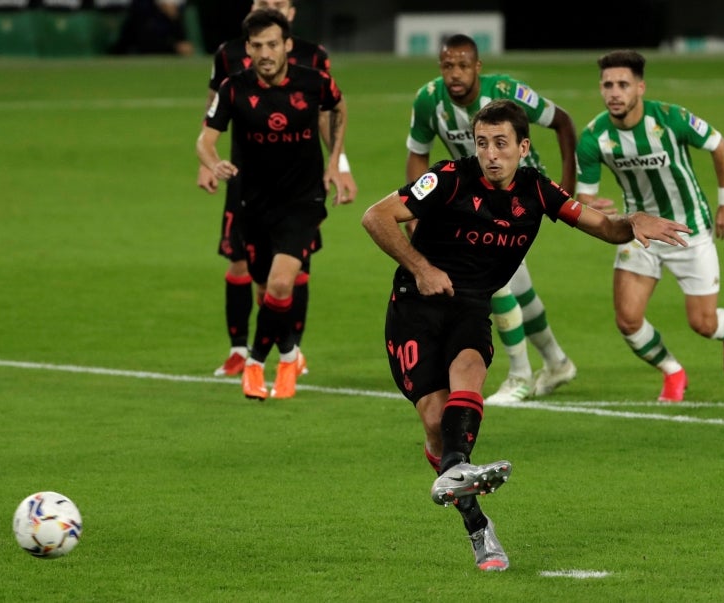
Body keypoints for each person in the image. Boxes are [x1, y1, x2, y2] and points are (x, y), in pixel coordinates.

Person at [362, 99, 691, 571]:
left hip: (471, 306)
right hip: (415, 307)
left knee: (470, 374)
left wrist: (632, 221)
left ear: (523, 147)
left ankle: (463, 491)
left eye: (501, 144)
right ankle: (477, 520)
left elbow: (604, 227)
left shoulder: (538, 189)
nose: (491, 154)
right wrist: (421, 267)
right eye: (482, 143)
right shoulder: (449, 178)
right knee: (435, 425)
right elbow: (375, 215)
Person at [406, 34, 576, 404]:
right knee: (518, 287)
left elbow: (563, 121)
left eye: (463, 65)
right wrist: (416, 211)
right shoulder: (428, 100)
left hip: (523, 198)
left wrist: (567, 187)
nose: (455, 73)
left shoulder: (506, 90)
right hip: (477, 201)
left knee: (490, 283)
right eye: (448, 66)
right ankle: (557, 362)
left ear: (477, 67)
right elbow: (418, 154)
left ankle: (519, 375)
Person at [574, 49, 724, 402]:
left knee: (703, 324)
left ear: (641, 87)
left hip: (690, 230)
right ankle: (673, 371)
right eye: (607, 84)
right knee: (627, 320)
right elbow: (585, 196)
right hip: (639, 231)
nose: (614, 92)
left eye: (623, 84)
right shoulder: (594, 138)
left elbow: (718, 144)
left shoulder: (670, 119)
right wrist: (590, 205)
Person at [196, 8, 349, 400]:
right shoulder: (234, 88)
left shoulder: (313, 82)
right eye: (258, 45)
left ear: (287, 46)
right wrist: (213, 163)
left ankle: (256, 363)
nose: (265, 52)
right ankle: (290, 352)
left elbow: (337, 108)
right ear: (247, 49)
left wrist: (335, 164)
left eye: (272, 44)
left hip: (302, 200)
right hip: (253, 202)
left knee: (282, 282)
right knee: (267, 292)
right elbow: (205, 139)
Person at [110, 0, 194, 56]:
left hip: (166, 55)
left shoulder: (173, 9)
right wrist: (174, 47)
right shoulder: (141, 5)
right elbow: (145, 40)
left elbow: (180, 37)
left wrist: (173, 18)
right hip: (134, 53)